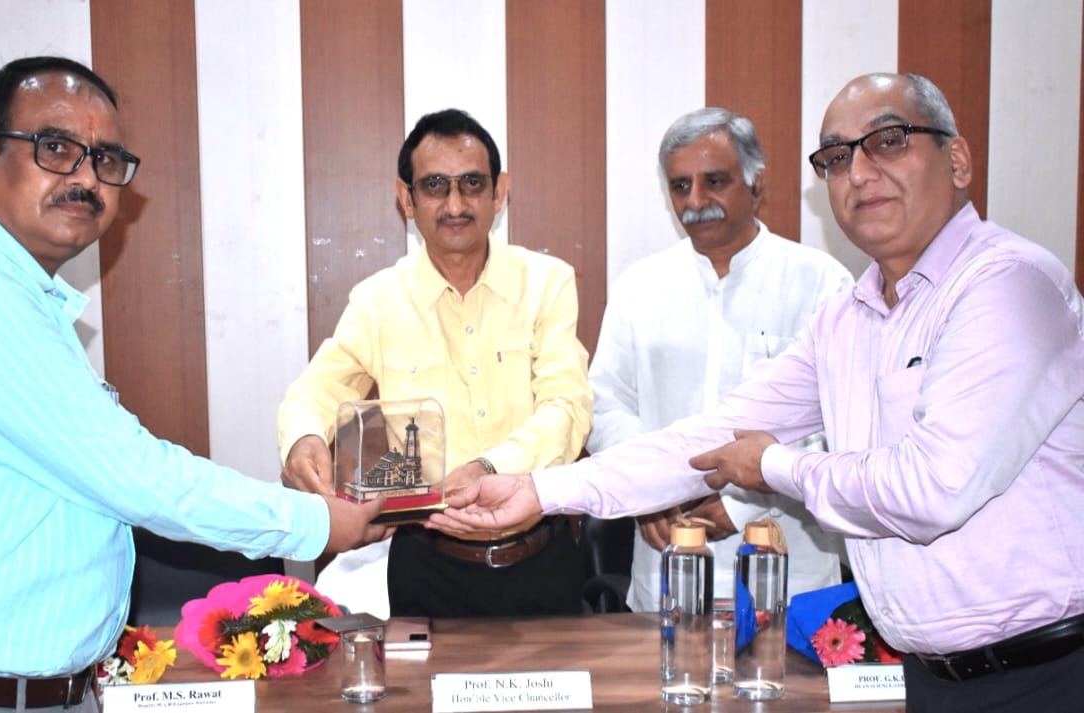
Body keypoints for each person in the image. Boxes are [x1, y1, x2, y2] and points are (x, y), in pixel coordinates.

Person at [432, 73, 1084, 712]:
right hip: (935, 677)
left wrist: (770, 466)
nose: (859, 173)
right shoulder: (848, 318)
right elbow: (713, 435)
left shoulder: (1005, 284)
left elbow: (933, 488)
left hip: (1044, 671)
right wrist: (539, 490)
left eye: (888, 141)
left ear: (957, 159)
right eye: (836, 157)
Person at [0, 56, 386, 713]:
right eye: (56, 148)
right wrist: (316, 522)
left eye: (106, 159)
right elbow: (129, 471)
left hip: (27, 694)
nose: (87, 178)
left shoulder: (18, 297)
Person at [277, 108, 592, 618]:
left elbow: (567, 408)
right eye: (434, 186)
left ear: (499, 192)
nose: (455, 204)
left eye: (472, 184)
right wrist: (302, 438)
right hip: (427, 566)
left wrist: (490, 468)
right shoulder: (378, 301)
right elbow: (315, 391)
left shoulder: (546, 283)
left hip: (541, 557)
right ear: (406, 198)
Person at [588, 107, 851, 610]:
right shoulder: (640, 286)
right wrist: (652, 486)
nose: (695, 201)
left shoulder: (820, 282)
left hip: (787, 571)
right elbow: (604, 402)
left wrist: (742, 501)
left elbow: (840, 420)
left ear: (756, 184)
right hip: (665, 567)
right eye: (680, 186)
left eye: (714, 181)